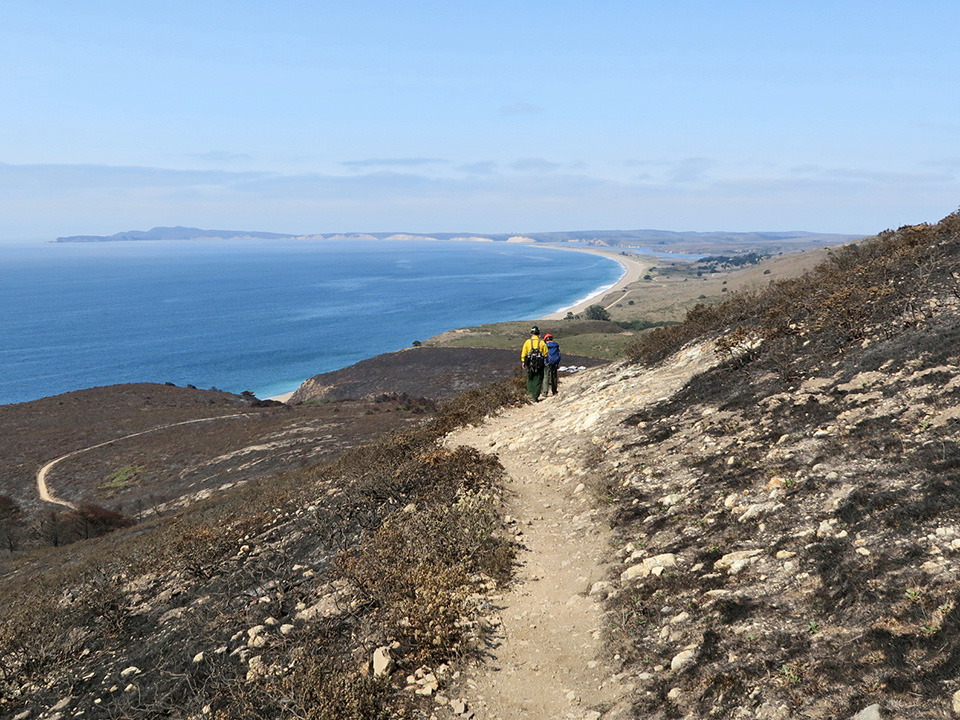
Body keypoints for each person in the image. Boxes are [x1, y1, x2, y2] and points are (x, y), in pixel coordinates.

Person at [521, 326, 549, 401]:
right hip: (539, 363)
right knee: (538, 378)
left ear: (531, 333)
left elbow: (524, 352)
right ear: (538, 333)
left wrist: (523, 361)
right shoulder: (542, 342)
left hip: (529, 363)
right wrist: (546, 359)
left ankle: (530, 394)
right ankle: (535, 396)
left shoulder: (527, 342)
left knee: (530, 378)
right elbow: (546, 353)